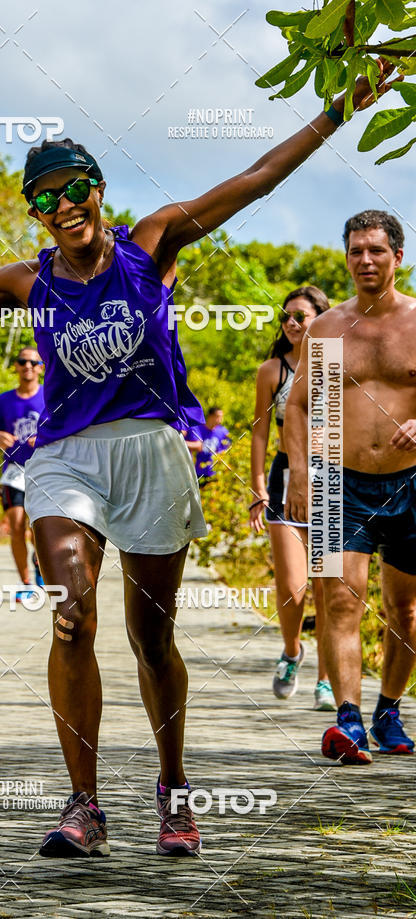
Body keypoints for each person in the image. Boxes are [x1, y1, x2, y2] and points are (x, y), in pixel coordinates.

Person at [0, 67, 396, 852]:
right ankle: (83, 803)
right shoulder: (27, 283)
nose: (60, 207)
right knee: (73, 608)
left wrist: (336, 112)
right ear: (34, 211)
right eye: (43, 198)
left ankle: (174, 789)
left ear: (98, 189)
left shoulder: (152, 242)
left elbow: (256, 179)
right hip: (66, 458)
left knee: (153, 639)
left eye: (71, 188)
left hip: (151, 451)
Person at [285, 211, 416, 764]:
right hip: (340, 479)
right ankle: (348, 720)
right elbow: (300, 406)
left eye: (377, 251)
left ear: (398, 257)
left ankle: (388, 709)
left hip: (411, 482)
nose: (366, 260)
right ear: (346, 258)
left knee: (404, 609)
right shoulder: (331, 328)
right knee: (341, 600)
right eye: (357, 251)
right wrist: (300, 471)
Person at [250, 287, 334, 712]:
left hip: (332, 477)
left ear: (322, 317)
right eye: (286, 317)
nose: (292, 323)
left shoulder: (337, 364)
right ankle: (291, 651)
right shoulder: (272, 371)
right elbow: (261, 431)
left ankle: (326, 677)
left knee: (328, 585)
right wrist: (258, 485)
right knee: (292, 585)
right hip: (285, 474)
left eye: (301, 315)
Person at [0, 345, 45, 598]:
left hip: (45, 470)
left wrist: (43, 437)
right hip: (14, 471)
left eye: (33, 363)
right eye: (22, 362)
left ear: (41, 368)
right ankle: (26, 583)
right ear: (16, 366)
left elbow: (67, 430)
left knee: (38, 528)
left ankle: (41, 565)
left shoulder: (50, 397)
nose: (27, 367)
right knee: (17, 524)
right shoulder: (2, 401)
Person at [185, 406, 231, 488]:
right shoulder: (198, 429)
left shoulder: (223, 432)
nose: (220, 419)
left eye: (221, 417)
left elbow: (228, 450)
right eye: (218, 417)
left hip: (215, 473)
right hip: (199, 471)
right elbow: (196, 446)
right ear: (210, 416)